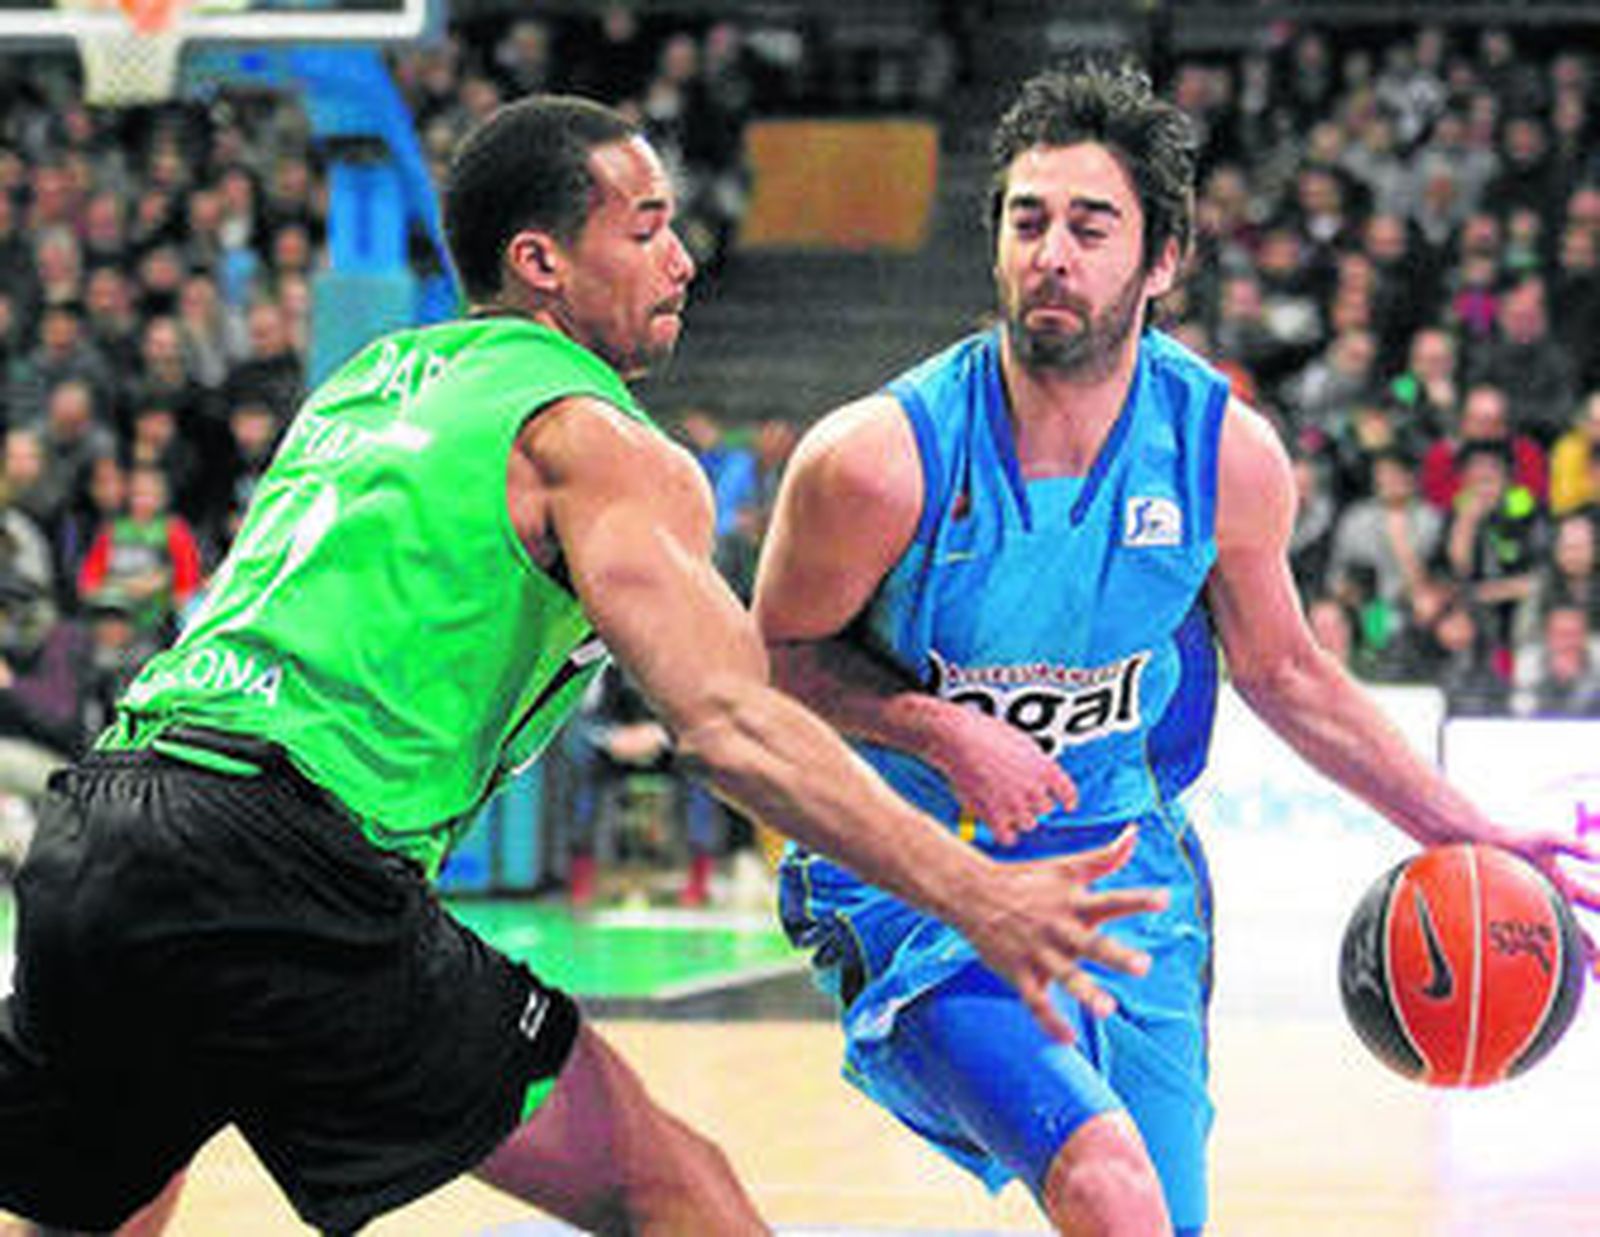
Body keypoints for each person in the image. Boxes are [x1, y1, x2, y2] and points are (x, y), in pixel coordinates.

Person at [0, 95, 1167, 1236]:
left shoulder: (368, 384)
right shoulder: (592, 436)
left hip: (105, 829)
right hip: (283, 859)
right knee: (668, 1187)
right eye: (647, 229)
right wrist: (975, 892)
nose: (683, 261)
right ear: (541, 262)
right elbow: (732, 725)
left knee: (105, 1200)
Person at [752, 58, 1600, 1237]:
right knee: (1107, 1185)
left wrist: (1467, 830)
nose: (1051, 253)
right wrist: (939, 730)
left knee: (1161, 1218)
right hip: (921, 873)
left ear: (1163, 259)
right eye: (1026, 221)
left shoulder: (1223, 455)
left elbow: (1285, 671)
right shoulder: (874, 463)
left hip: (1127, 873)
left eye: (1089, 226)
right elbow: (769, 662)